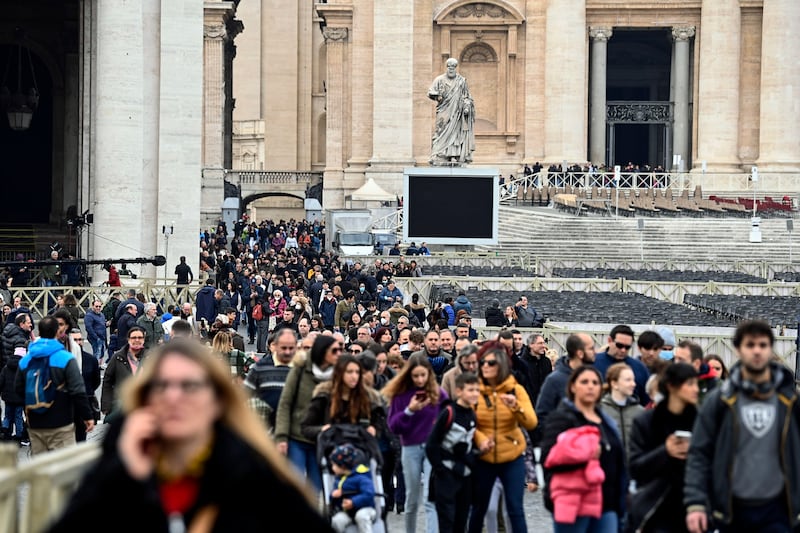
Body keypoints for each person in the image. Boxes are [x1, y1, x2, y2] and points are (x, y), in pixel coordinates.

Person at [48, 338, 332, 532]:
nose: (173, 397)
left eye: (189, 386)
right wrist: (124, 473)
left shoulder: (251, 473)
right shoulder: (118, 464)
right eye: (161, 386)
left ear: (216, 400)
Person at [685, 320, 800, 533]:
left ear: (770, 348)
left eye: (763, 345)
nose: (757, 351)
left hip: (778, 510)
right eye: (750, 345)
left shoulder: (789, 401)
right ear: (738, 349)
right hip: (731, 510)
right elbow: (699, 453)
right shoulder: (719, 401)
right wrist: (696, 503)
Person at [541, 366, 626, 532]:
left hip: (607, 500)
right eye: (584, 382)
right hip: (574, 500)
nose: (590, 386)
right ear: (573, 387)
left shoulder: (606, 421)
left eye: (595, 382)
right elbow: (548, 458)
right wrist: (583, 455)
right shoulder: (562, 418)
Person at [467, 342, 537, 533]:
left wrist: (516, 407)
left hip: (512, 456)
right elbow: (467, 423)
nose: (485, 366)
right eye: (482, 363)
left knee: (515, 509)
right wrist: (480, 438)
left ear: (502, 365)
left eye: (490, 363)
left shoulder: (516, 390)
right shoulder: (474, 390)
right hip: (484, 456)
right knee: (479, 508)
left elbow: (531, 422)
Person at [627, 363, 698, 533]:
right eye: (689, 384)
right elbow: (635, 468)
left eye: (697, 384)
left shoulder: (702, 421)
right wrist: (665, 452)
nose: (696, 389)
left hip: (693, 509)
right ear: (671, 386)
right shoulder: (646, 422)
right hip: (655, 508)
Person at [384, 354, 447, 533]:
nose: (420, 380)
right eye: (415, 376)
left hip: (432, 448)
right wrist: (409, 411)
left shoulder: (437, 392)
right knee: (411, 499)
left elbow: (450, 414)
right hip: (410, 447)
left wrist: (440, 426)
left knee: (430, 496)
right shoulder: (401, 394)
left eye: (423, 375)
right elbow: (394, 426)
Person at [14, 316, 93, 455]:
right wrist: (86, 416)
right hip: (60, 421)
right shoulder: (65, 358)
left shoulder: (26, 360)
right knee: (62, 468)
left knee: (40, 468)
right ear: (58, 332)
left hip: (35, 422)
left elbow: (18, 388)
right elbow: (78, 391)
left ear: (39, 331)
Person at [274, 334, 341, 492]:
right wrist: (281, 437)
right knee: (295, 486)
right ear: (323, 352)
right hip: (297, 436)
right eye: (334, 351)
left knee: (316, 489)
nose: (338, 354)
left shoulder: (338, 374)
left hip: (322, 439)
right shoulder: (301, 369)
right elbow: (285, 403)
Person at [425, 371, 480, 533]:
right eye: (470, 390)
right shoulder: (448, 413)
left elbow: (469, 446)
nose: (475, 393)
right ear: (459, 391)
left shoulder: (472, 414)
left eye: (477, 390)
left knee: (461, 521)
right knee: (447, 521)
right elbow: (432, 444)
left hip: (464, 476)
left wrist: (475, 455)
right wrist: (440, 469)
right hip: (446, 476)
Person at [300, 354, 384, 442]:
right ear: (340, 373)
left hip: (360, 448)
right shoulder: (324, 396)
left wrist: (373, 430)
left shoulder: (368, 398)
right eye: (349, 372)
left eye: (357, 372)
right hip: (331, 447)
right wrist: (322, 429)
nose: (354, 376)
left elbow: (378, 423)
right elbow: (306, 428)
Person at [537, 333, 596, 431]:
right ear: (580, 353)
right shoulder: (555, 380)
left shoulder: (594, 377)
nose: (595, 352)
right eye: (591, 348)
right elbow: (542, 416)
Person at [428, 57, 475, 165]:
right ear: (446, 67)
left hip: (457, 112)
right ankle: (438, 154)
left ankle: (454, 155)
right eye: (449, 67)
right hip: (444, 109)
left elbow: (467, 96)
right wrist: (437, 96)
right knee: (440, 130)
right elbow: (431, 91)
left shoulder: (461, 81)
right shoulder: (439, 79)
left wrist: (467, 107)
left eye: (453, 67)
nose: (451, 69)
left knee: (455, 132)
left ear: (456, 68)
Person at [594, 325, 650, 406]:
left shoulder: (639, 368)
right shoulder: (592, 363)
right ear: (609, 341)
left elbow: (646, 402)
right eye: (619, 345)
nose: (623, 350)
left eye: (627, 347)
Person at [599, 363, 645, 461]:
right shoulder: (600, 410)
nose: (633, 384)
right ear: (614, 383)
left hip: (633, 469)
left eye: (633, 380)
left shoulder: (640, 412)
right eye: (628, 380)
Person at [329, 443, 377, 533]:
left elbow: (369, 493)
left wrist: (353, 502)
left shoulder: (362, 477)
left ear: (342, 466)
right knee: (337, 521)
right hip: (347, 512)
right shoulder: (338, 480)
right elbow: (333, 499)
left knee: (361, 516)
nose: (332, 468)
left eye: (334, 465)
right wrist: (333, 496)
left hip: (366, 509)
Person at [101, 326, 148, 417]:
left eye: (140, 337)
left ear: (144, 339)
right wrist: (106, 405)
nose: (137, 340)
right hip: (122, 405)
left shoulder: (151, 357)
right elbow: (107, 381)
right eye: (134, 337)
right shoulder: (118, 357)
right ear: (128, 339)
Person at [0, 346, 28, 445]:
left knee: (7, 415)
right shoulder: (24, 368)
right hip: (19, 398)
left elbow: (1, 382)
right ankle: (19, 436)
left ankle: (5, 430)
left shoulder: (6, 367)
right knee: (18, 417)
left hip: (7, 398)